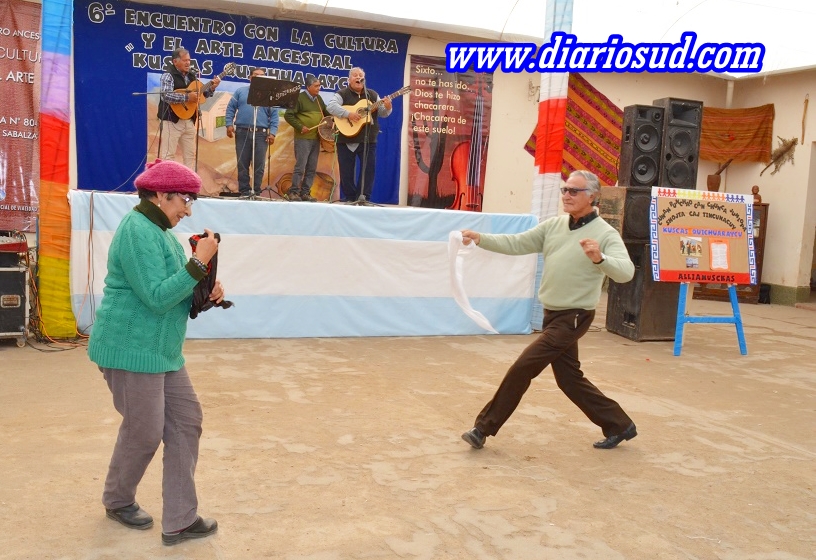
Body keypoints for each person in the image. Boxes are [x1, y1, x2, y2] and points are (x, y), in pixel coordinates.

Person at [88, 159, 225, 546]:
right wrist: (199, 262)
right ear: (162, 195)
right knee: (144, 431)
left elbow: (174, 289)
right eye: (186, 200)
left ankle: (180, 520)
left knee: (186, 421)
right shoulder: (137, 230)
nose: (188, 210)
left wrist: (205, 292)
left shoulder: (161, 232)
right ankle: (117, 500)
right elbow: (155, 297)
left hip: (161, 351)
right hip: (130, 349)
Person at [460, 170, 638, 451]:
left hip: (574, 316)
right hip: (552, 314)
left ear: (592, 196)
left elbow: (626, 272)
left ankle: (483, 428)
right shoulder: (554, 226)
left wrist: (600, 258)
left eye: (574, 191)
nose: (566, 195)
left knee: (523, 367)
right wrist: (480, 238)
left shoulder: (605, 233)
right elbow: (517, 243)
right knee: (569, 379)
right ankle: (620, 424)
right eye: (564, 190)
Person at [326, 67, 392, 202]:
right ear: (349, 80)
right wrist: (348, 114)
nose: (358, 77)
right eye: (355, 75)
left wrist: (388, 107)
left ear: (364, 80)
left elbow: (383, 113)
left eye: (360, 75)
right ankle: (350, 197)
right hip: (345, 138)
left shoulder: (372, 95)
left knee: (368, 170)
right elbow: (331, 107)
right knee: (346, 170)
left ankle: (364, 197)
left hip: (368, 139)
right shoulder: (342, 94)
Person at [157, 48, 220, 170]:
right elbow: (166, 95)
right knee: (168, 155)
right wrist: (187, 97)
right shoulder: (168, 75)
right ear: (175, 61)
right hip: (171, 120)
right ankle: (167, 181)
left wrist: (212, 88)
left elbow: (202, 94)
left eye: (189, 60)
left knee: (190, 156)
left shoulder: (192, 76)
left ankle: (188, 182)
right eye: (184, 60)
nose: (188, 63)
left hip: (189, 121)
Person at [225, 67, 279, 196]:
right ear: (250, 78)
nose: (259, 78)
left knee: (259, 165)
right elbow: (231, 108)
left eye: (262, 75)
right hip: (242, 132)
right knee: (242, 164)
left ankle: (256, 191)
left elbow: (274, 116)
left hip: (261, 134)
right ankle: (244, 191)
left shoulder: (269, 95)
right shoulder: (240, 92)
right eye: (256, 75)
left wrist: (272, 133)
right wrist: (228, 124)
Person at [284, 76, 327, 202]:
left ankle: (305, 193)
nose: (319, 88)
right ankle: (293, 192)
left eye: (319, 86)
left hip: (316, 138)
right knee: (300, 167)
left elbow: (326, 113)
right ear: (308, 87)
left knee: (311, 168)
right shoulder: (298, 98)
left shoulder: (318, 99)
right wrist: (300, 127)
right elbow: (288, 115)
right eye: (316, 86)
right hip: (303, 138)